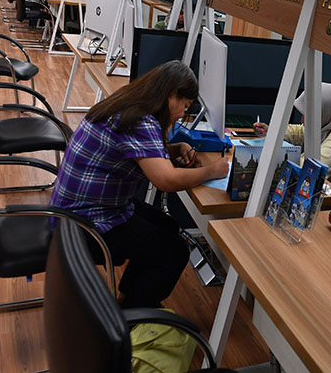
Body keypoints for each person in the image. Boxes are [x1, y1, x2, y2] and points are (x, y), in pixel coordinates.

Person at [50, 61, 229, 308]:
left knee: (166, 226)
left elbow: (134, 152)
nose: (181, 115)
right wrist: (212, 170)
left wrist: (172, 149)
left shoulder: (127, 104)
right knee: (174, 252)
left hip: (77, 210)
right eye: (184, 107)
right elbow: (165, 180)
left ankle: (126, 298)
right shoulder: (140, 121)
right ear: (171, 95)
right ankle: (131, 315)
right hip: (85, 225)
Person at [253, 82, 331, 208]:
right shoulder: (326, 125)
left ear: (323, 113)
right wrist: (271, 131)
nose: (302, 120)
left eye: (307, 116)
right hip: (319, 203)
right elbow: (298, 132)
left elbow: (309, 168)